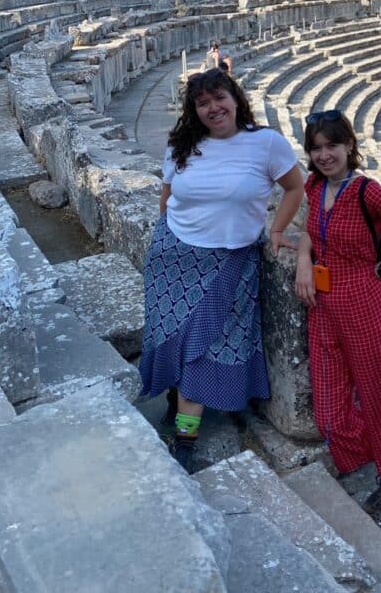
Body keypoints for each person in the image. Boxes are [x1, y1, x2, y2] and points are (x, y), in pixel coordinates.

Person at [139, 68, 304, 470]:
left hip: (229, 260)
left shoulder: (265, 143)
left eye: (219, 98)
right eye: (202, 103)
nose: (213, 108)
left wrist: (278, 230)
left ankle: (184, 439)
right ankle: (175, 405)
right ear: (195, 111)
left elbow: (296, 187)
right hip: (173, 257)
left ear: (235, 99)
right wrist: (167, 235)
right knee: (171, 335)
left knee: (200, 346)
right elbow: (167, 194)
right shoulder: (183, 144)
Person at [295, 109, 381, 537]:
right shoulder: (315, 185)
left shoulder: (369, 193)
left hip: (364, 305)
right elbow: (309, 232)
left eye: (331, 146)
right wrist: (304, 261)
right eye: (316, 148)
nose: (323, 155)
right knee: (331, 409)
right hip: (323, 306)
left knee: (380, 399)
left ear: (349, 146)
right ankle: (379, 465)